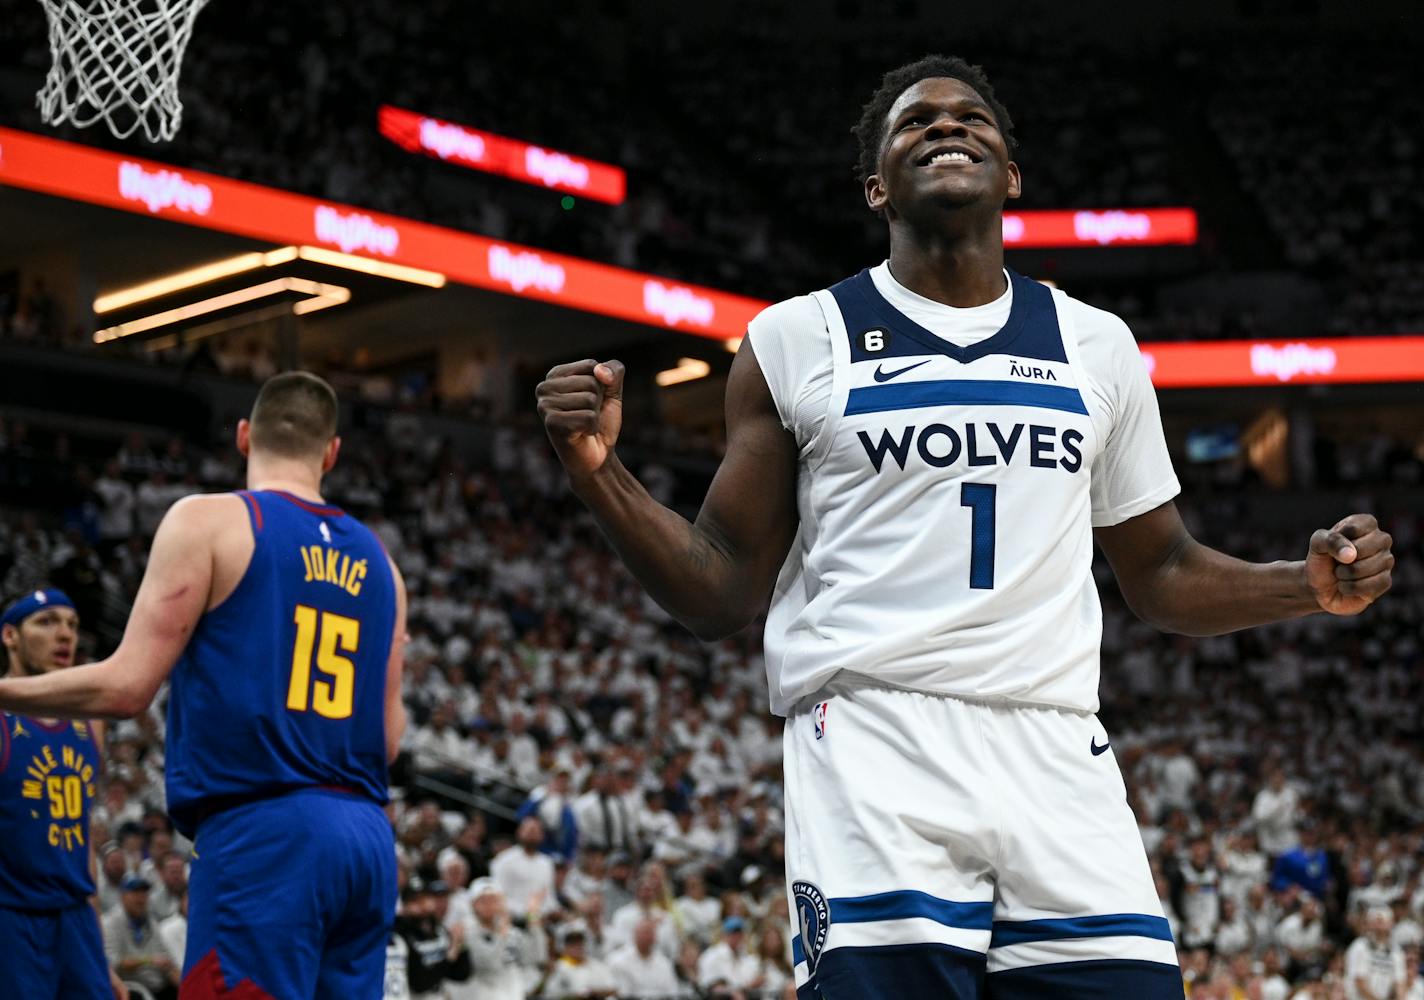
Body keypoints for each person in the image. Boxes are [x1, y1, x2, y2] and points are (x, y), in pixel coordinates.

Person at [536, 54, 1396, 999]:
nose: (947, 127)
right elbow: (719, 587)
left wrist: (1301, 584)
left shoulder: (1099, 344)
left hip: (1056, 745)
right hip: (874, 738)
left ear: (1012, 175)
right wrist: (599, 472)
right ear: (876, 186)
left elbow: (1163, 570)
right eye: (915, 123)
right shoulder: (796, 336)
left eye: (972, 118)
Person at [0, 372, 410, 997]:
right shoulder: (383, 565)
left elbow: (126, 688)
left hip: (266, 834)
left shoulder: (210, 521)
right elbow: (388, 740)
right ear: (332, 454)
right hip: (366, 841)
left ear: (244, 437)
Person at [0, 588, 126, 1000]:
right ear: (10, 636)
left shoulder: (90, 722)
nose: (65, 635)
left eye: (72, 624)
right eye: (47, 621)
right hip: (12, 920)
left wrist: (99, 957)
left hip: (76, 922)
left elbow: (82, 837)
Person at [103, 875, 179, 1000]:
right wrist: (148, 960)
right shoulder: (110, 922)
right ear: (123, 896)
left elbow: (167, 960)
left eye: (144, 893)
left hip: (156, 985)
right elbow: (114, 964)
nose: (140, 898)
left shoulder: (151, 922)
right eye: (135, 893)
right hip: (129, 987)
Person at [1344, 906, 1406, 1000]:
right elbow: (1359, 982)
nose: (1380, 924)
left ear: (1391, 923)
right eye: (1376, 920)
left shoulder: (1396, 951)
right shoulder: (1359, 946)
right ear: (1369, 923)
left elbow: (1400, 983)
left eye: (1384, 920)